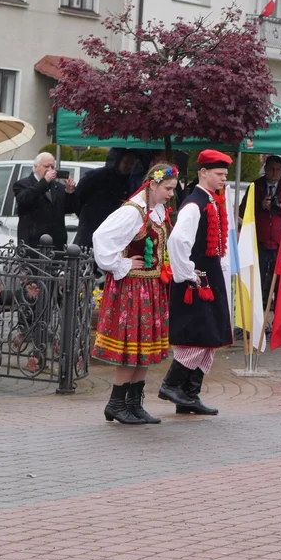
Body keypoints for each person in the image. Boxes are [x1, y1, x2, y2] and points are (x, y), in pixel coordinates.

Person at [92, 163, 178, 425]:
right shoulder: (132, 212)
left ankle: (133, 404)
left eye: (172, 189)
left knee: (145, 348)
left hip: (151, 288)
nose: (170, 194)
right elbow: (101, 238)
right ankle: (116, 403)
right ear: (152, 185)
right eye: (167, 188)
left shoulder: (156, 211)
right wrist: (124, 264)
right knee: (132, 347)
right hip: (132, 289)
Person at [158, 150, 234, 416]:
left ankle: (189, 396)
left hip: (209, 276)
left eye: (225, 175)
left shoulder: (211, 201)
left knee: (210, 335)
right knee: (197, 336)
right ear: (203, 173)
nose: (224, 179)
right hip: (196, 280)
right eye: (219, 174)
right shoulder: (194, 204)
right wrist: (187, 273)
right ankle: (171, 385)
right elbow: (177, 241)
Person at [239, 155, 281, 297]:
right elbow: (242, 211)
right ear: (265, 169)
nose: (274, 173)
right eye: (271, 169)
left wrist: (280, 208)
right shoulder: (255, 187)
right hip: (259, 242)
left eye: (278, 169)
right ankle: (258, 310)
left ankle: (278, 313)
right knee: (257, 279)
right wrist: (260, 206)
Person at [13, 152, 78, 249]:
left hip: (56, 245)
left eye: (52, 167)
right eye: (46, 166)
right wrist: (44, 182)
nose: (50, 170)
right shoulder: (22, 184)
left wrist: (69, 191)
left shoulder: (58, 187)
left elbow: (69, 208)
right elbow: (24, 200)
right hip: (33, 245)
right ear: (36, 167)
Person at [74, 149, 135, 248]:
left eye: (131, 164)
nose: (128, 166)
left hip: (111, 230)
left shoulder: (129, 181)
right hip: (90, 225)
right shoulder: (94, 176)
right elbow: (78, 198)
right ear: (117, 161)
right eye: (126, 162)